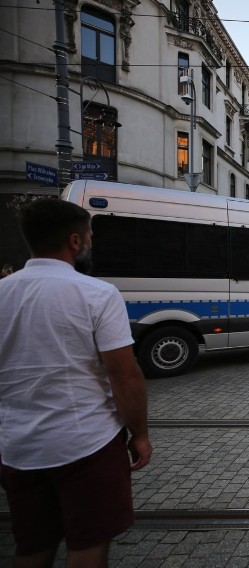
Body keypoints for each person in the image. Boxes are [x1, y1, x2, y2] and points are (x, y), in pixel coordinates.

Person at [0, 199, 152, 567]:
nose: (91, 243)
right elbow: (124, 375)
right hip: (86, 443)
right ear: (74, 241)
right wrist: (140, 434)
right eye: (90, 236)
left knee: (31, 547)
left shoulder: (4, 292)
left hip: (17, 448)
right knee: (87, 546)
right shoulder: (96, 294)